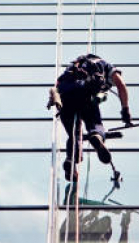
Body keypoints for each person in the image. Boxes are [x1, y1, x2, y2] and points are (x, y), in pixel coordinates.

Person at [47, 53, 131, 181]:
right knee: (94, 123)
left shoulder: (73, 66)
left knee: (74, 134)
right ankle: (96, 136)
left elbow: (57, 86)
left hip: (64, 97)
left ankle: (71, 160)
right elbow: (121, 84)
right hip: (84, 93)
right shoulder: (105, 65)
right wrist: (125, 109)